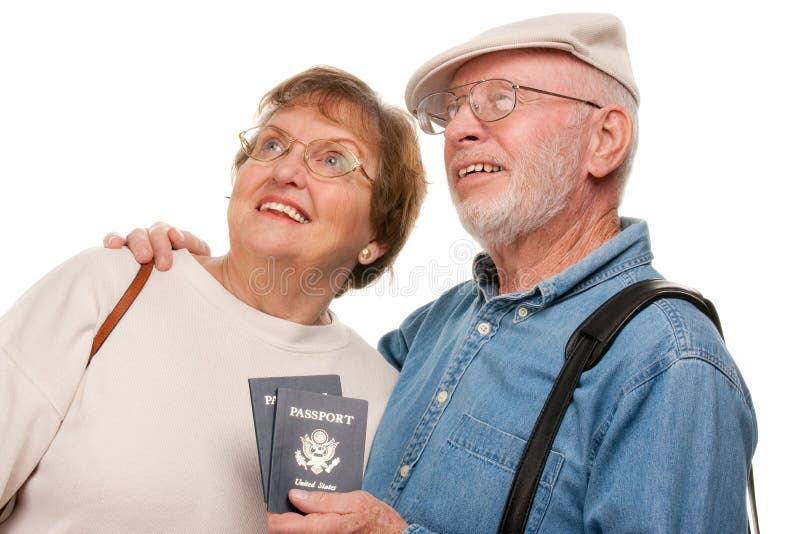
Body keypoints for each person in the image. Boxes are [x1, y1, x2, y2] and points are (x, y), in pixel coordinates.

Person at [106, 13, 758, 533]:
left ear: (605, 141)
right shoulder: (440, 324)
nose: (461, 130)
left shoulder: (669, 365)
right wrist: (201, 279)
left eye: (501, 100)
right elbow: (295, 358)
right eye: (453, 111)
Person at [0, 66, 426, 532]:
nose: (285, 171)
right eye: (271, 145)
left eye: (332, 160)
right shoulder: (108, 286)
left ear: (378, 236)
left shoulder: (382, 398)